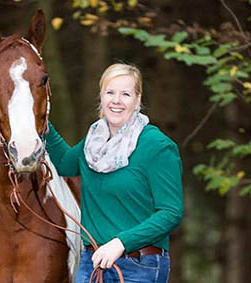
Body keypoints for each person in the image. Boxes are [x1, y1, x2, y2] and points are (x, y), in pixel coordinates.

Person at [46, 63, 183, 283]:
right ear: (101, 97)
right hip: (93, 263)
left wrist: (121, 242)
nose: (116, 100)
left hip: (139, 266)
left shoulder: (157, 146)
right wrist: (40, 118)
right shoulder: (93, 143)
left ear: (137, 100)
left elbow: (170, 212)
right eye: (110, 92)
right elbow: (64, 164)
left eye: (125, 94)